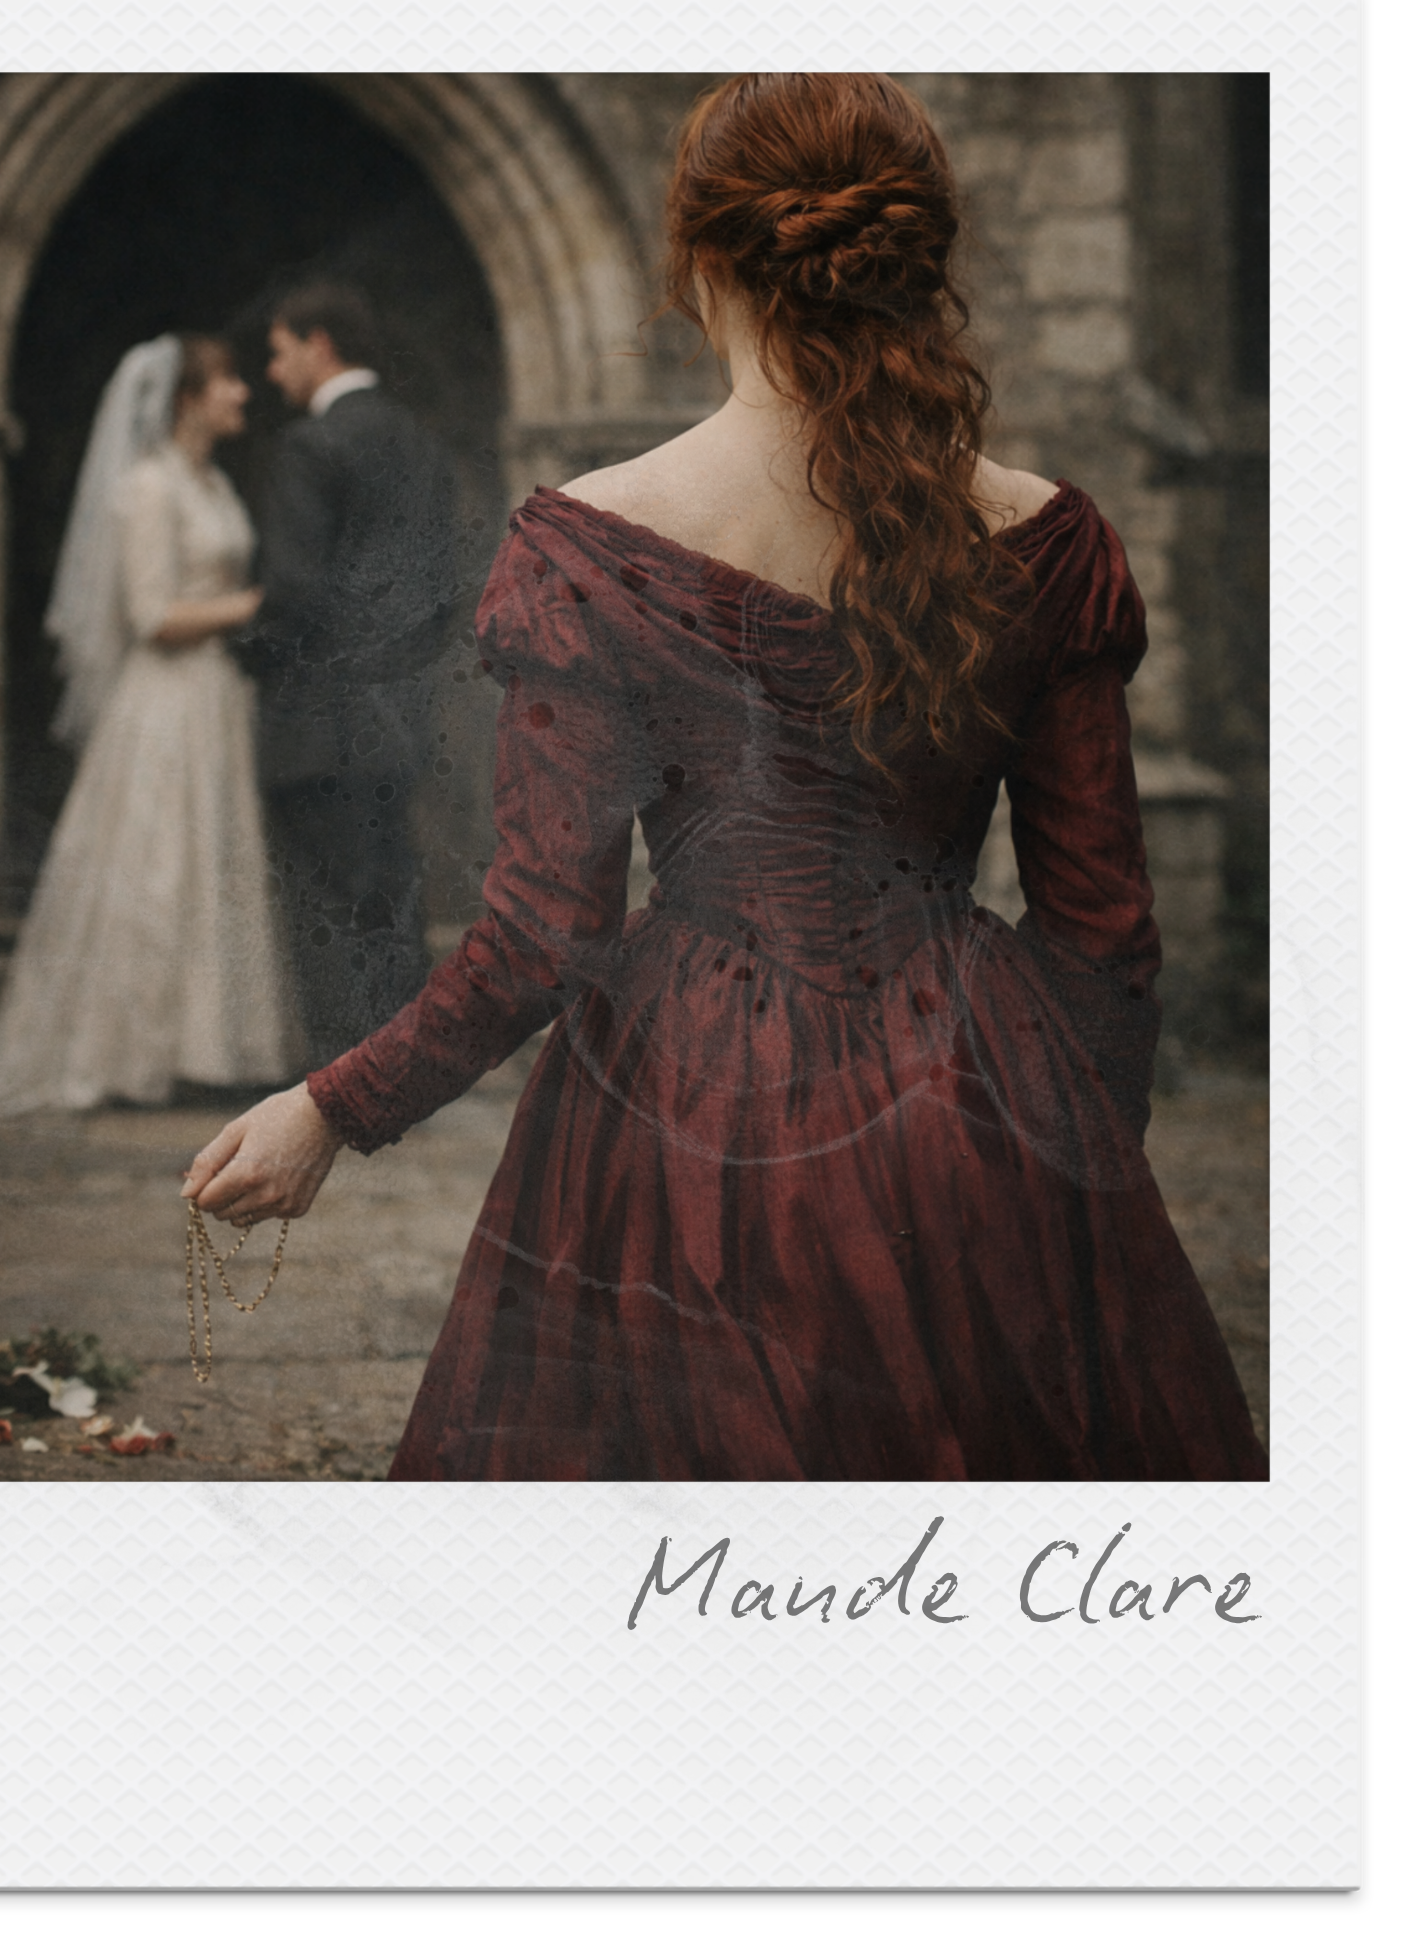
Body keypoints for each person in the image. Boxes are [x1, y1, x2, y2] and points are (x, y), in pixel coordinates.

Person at [183, 75, 1268, 1482]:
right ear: (916, 261)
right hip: (978, 1089)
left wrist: (330, 1108)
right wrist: (1060, 1198)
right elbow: (1105, 940)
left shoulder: (597, 542)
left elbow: (539, 938)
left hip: (682, 1118)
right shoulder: (1048, 537)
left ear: (698, 263)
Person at [0, 334, 303, 1117]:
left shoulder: (210, 483)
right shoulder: (148, 487)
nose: (241, 393)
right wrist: (257, 606)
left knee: (210, 868)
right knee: (156, 871)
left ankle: (208, 1047)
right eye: (224, 383)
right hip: (168, 700)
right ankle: (135, 1049)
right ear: (186, 398)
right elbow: (150, 614)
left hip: (216, 699)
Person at [233, 280, 457, 1065]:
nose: (272, 371)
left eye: (279, 350)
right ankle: (403, 1070)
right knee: (389, 895)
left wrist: (242, 655)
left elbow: (293, 593)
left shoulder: (311, 446)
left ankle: (341, 1080)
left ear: (319, 345)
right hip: (399, 713)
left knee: (327, 903)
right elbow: (441, 594)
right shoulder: (422, 445)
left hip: (318, 720)